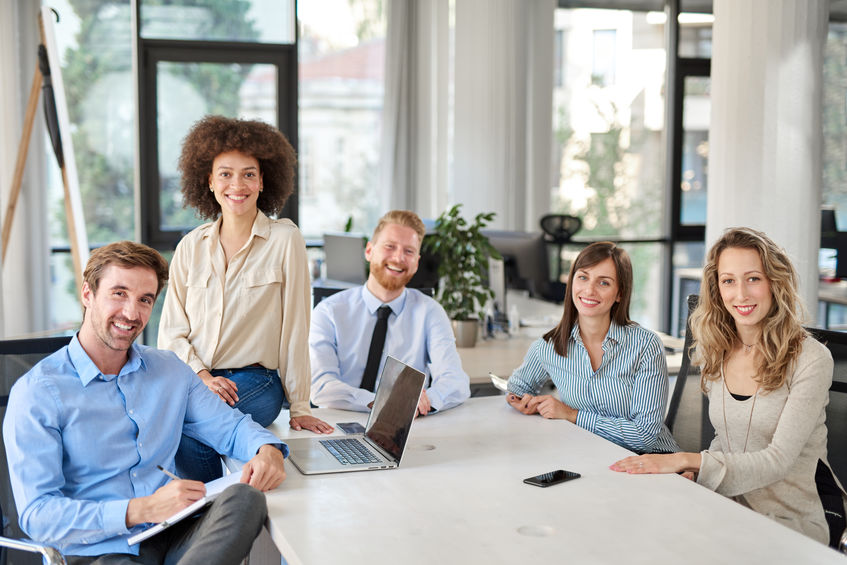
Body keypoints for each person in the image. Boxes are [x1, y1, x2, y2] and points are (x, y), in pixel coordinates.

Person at [4, 241, 288, 563]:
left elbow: (232, 427)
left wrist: (268, 451)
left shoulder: (169, 370)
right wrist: (141, 509)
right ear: (87, 294)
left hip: (169, 532)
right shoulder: (38, 392)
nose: (131, 313)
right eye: (119, 293)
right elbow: (38, 517)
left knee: (245, 498)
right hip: (99, 552)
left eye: (145, 300)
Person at [610, 227, 847, 547]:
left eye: (753, 279)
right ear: (717, 287)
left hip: (794, 515)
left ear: (774, 282)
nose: (741, 294)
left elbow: (777, 461)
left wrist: (688, 460)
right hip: (729, 501)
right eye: (729, 281)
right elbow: (728, 437)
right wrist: (700, 475)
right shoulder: (716, 347)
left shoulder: (811, 358)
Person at [158, 115, 332, 483]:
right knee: (175, 427)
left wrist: (300, 404)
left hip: (257, 382)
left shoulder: (285, 240)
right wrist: (202, 375)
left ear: (263, 180)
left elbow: (296, 327)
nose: (237, 184)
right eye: (225, 174)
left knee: (190, 433)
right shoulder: (190, 247)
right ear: (208, 180)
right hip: (197, 382)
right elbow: (171, 333)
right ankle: (213, 518)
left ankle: (207, 516)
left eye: (248, 174)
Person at [506, 241, 678, 454]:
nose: (589, 290)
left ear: (619, 294)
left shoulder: (645, 346)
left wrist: (571, 414)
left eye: (604, 283)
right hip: (592, 457)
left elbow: (644, 437)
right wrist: (522, 401)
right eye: (583, 277)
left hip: (655, 461)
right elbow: (517, 387)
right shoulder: (549, 347)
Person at [310, 210, 470, 415]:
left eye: (409, 251)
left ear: (417, 262)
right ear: (369, 251)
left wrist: (424, 401)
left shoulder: (430, 311)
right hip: (339, 423)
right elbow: (321, 386)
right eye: (390, 246)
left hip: (401, 428)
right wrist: (380, 402)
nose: (398, 257)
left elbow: (456, 381)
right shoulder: (328, 312)